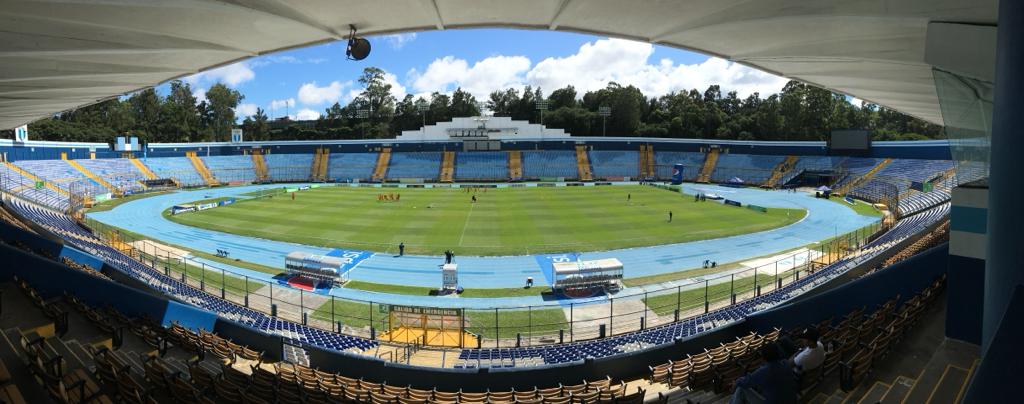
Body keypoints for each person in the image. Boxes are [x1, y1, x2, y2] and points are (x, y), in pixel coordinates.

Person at [731, 343, 797, 404]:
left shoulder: (764, 371)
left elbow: (745, 382)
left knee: (741, 388)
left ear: (763, 357)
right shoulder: (785, 363)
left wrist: (735, 383)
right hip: (791, 400)